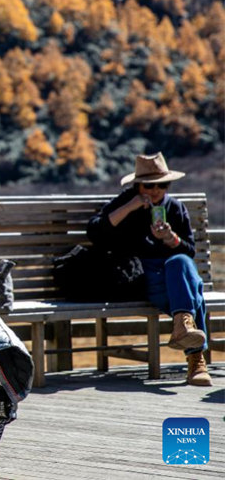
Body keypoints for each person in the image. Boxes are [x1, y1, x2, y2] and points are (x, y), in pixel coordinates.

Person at [87, 152, 211, 386]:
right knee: (194, 293)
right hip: (141, 275)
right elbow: (94, 232)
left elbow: (188, 249)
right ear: (138, 185)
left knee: (180, 262)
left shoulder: (175, 208)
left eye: (162, 185)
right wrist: (131, 206)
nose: (156, 190)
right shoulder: (126, 201)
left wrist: (170, 238)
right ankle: (195, 358)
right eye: (149, 185)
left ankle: (183, 323)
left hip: (172, 275)